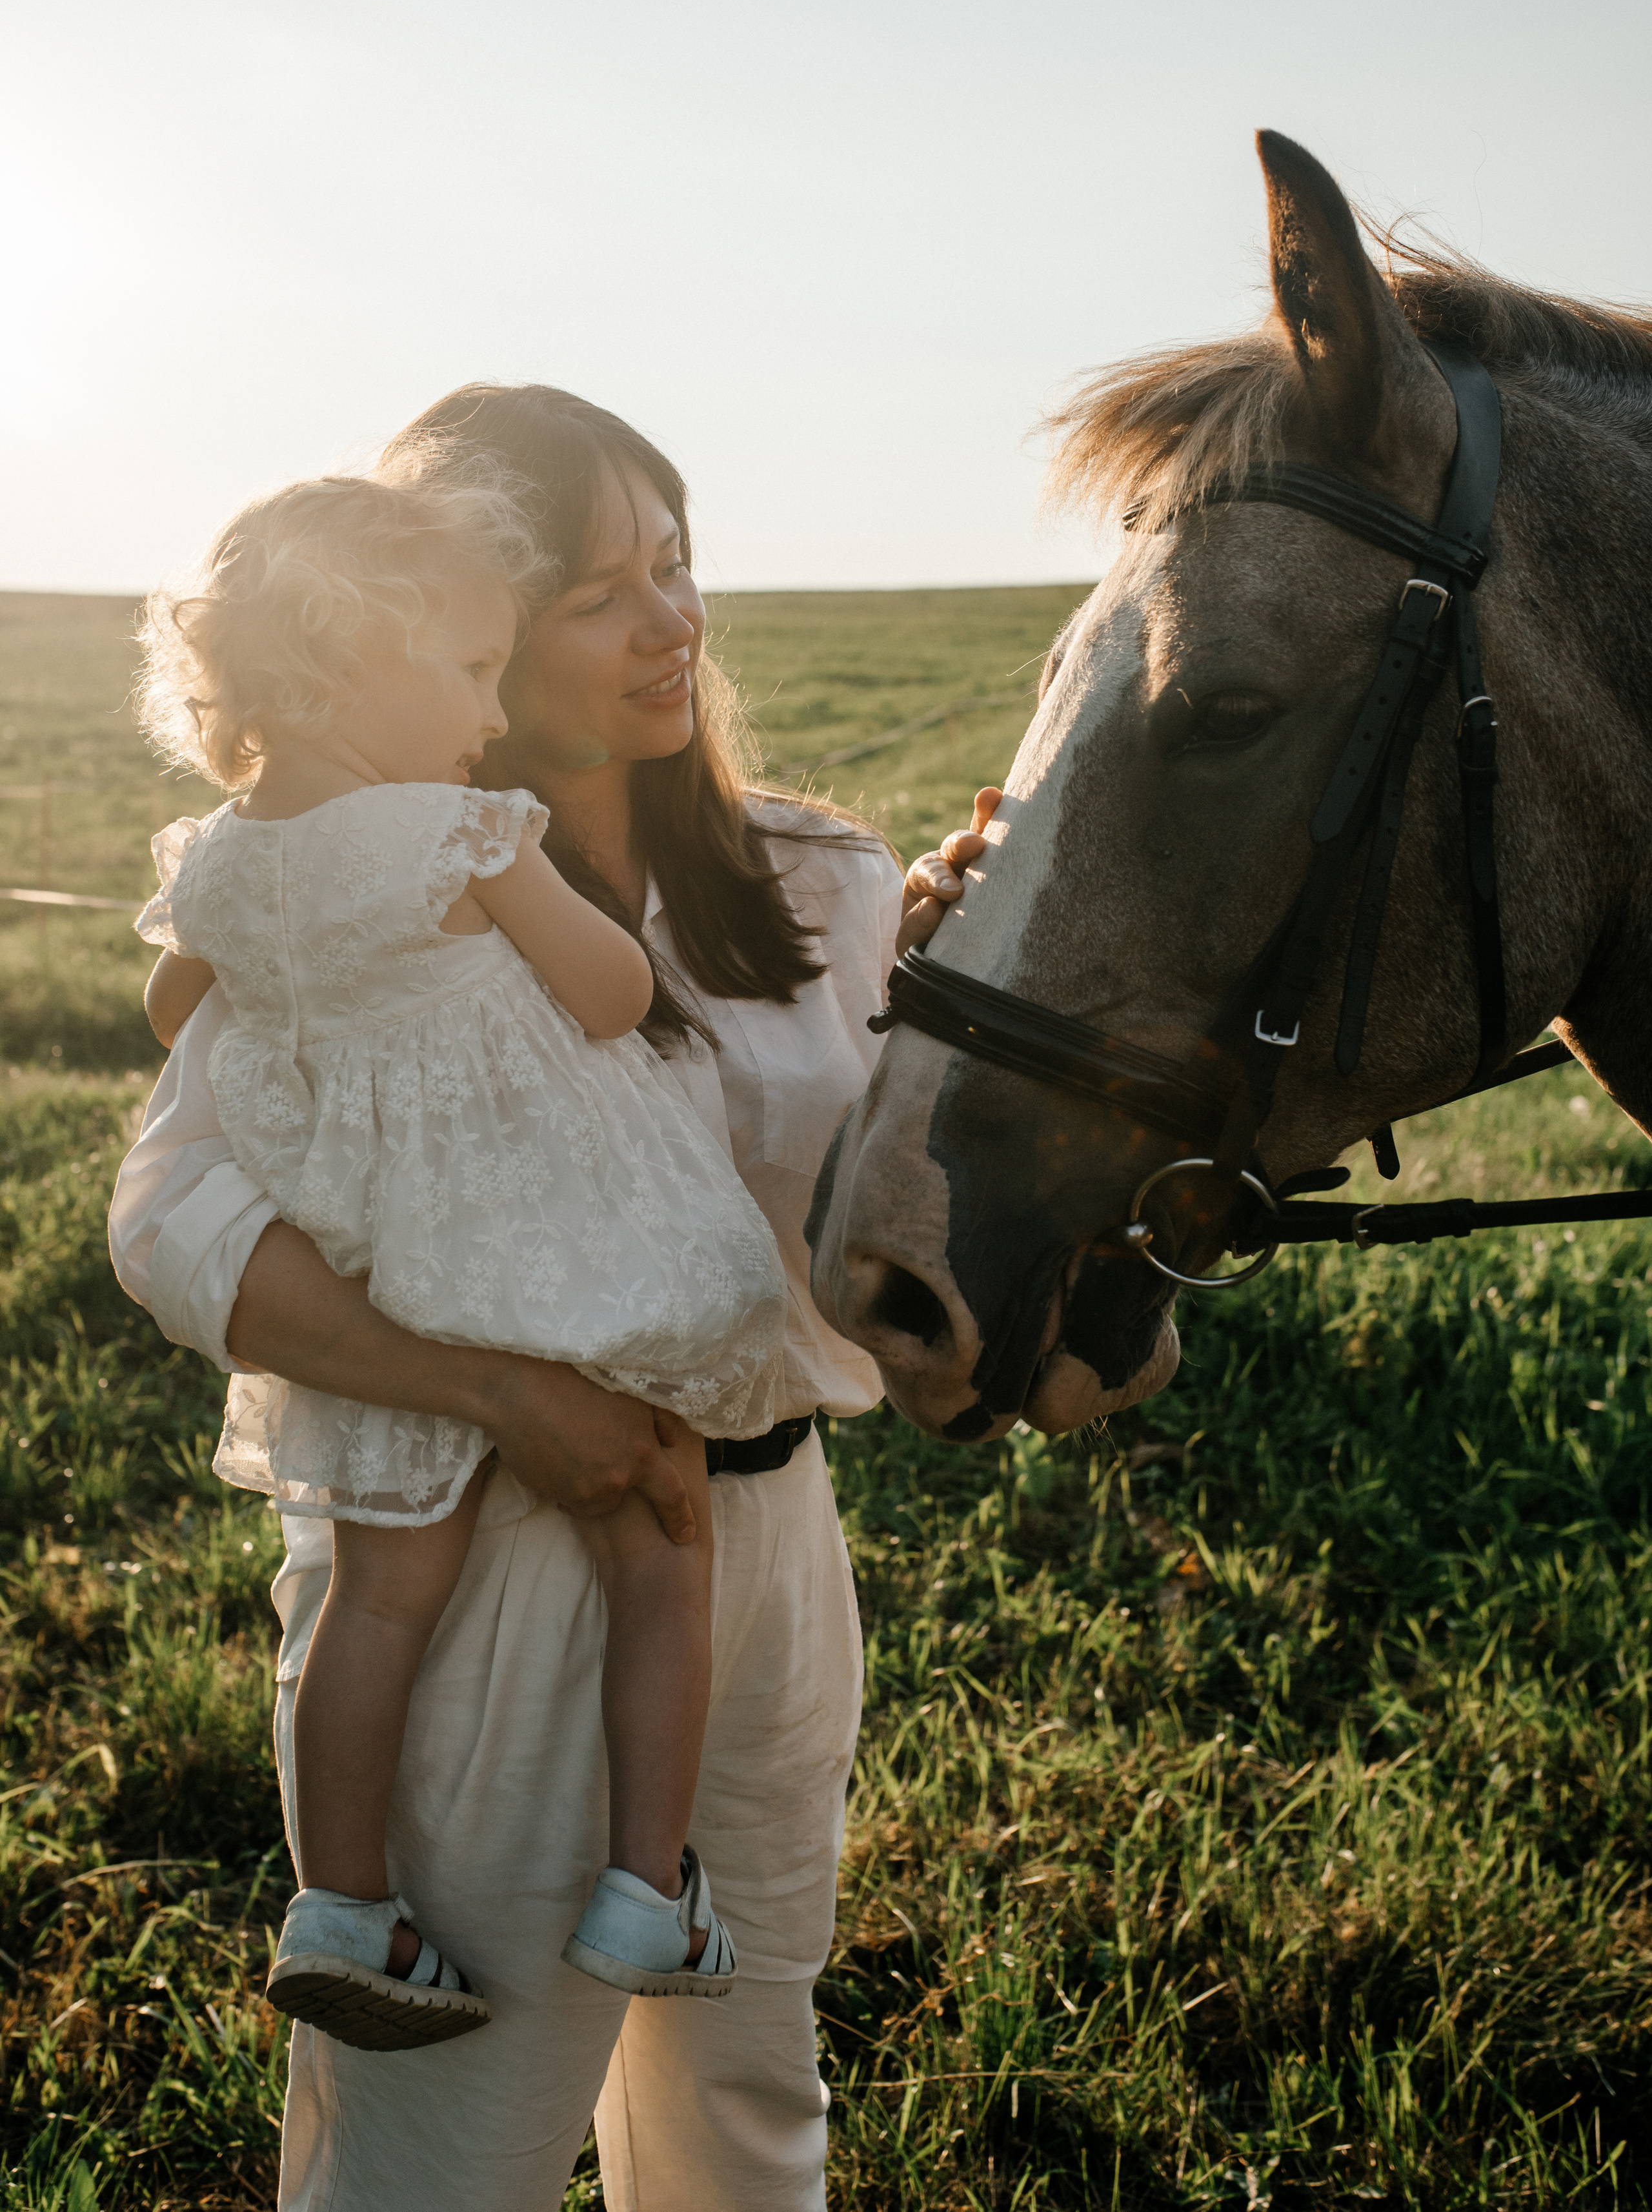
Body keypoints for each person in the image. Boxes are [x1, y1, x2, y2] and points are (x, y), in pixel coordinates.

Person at [108, 383, 985, 2209]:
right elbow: (177, 1230)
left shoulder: (820, 879)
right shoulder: (355, 895)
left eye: (676, 563)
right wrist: (512, 1396)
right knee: (446, 2149)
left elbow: (874, 1196)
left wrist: (983, 977)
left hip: (763, 1545)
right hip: (476, 1557)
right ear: (470, 638)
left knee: (748, 2100)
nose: (671, 622)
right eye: (598, 594)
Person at [128, 463, 786, 2048]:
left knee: (375, 1600)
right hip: (537, 1243)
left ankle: (341, 1907)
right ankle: (644, 1886)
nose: (489, 716)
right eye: (471, 670)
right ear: (346, 671)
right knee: (662, 1528)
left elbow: (173, 1013)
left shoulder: (212, 863)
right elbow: (614, 996)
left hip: (375, 1266)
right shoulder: (466, 830)